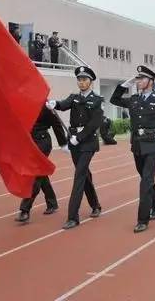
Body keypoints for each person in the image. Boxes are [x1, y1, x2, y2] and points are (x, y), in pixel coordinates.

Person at [110, 65, 155, 233]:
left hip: (152, 145)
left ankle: (142, 219)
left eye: (142, 78)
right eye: (138, 79)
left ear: (150, 82)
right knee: (146, 178)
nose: (138, 81)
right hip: (136, 144)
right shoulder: (134, 99)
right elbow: (114, 100)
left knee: (145, 181)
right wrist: (123, 85)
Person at [46, 66, 104, 230]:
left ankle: (73, 216)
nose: (82, 82)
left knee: (79, 175)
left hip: (87, 143)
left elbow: (94, 124)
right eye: (79, 79)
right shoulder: (74, 98)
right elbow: (63, 105)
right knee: (84, 174)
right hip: (74, 142)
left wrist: (79, 137)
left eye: (85, 79)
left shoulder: (97, 100)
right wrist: (53, 104)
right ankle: (96, 205)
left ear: (90, 82)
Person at [15, 105, 69, 223]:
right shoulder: (23, 103)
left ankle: (25, 209)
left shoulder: (44, 106)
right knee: (41, 173)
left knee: (35, 175)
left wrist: (63, 143)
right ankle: (52, 203)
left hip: (42, 142)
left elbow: (56, 123)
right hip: (29, 143)